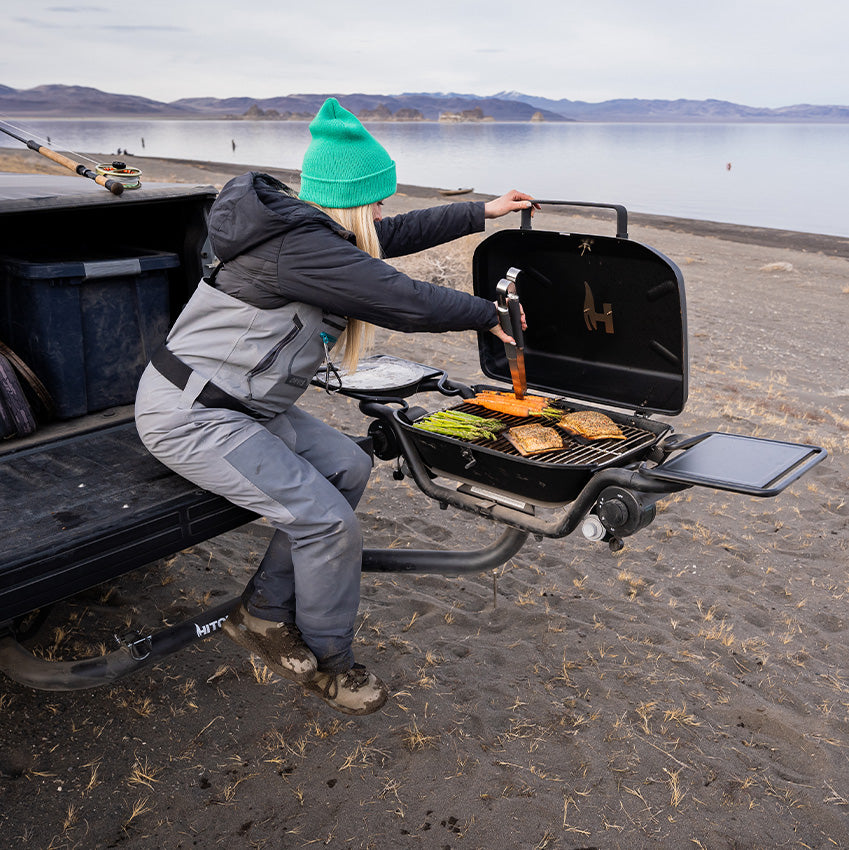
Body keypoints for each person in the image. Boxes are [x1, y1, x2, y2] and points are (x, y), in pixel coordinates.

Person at [135, 97, 534, 716]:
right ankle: (330, 663)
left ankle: (262, 613)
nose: (379, 214)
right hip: (195, 414)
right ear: (350, 197)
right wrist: (490, 314)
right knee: (327, 522)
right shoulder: (300, 251)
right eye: (374, 200)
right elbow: (404, 299)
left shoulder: (309, 231)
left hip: (243, 406)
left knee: (348, 465)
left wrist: (482, 211)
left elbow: (387, 239)